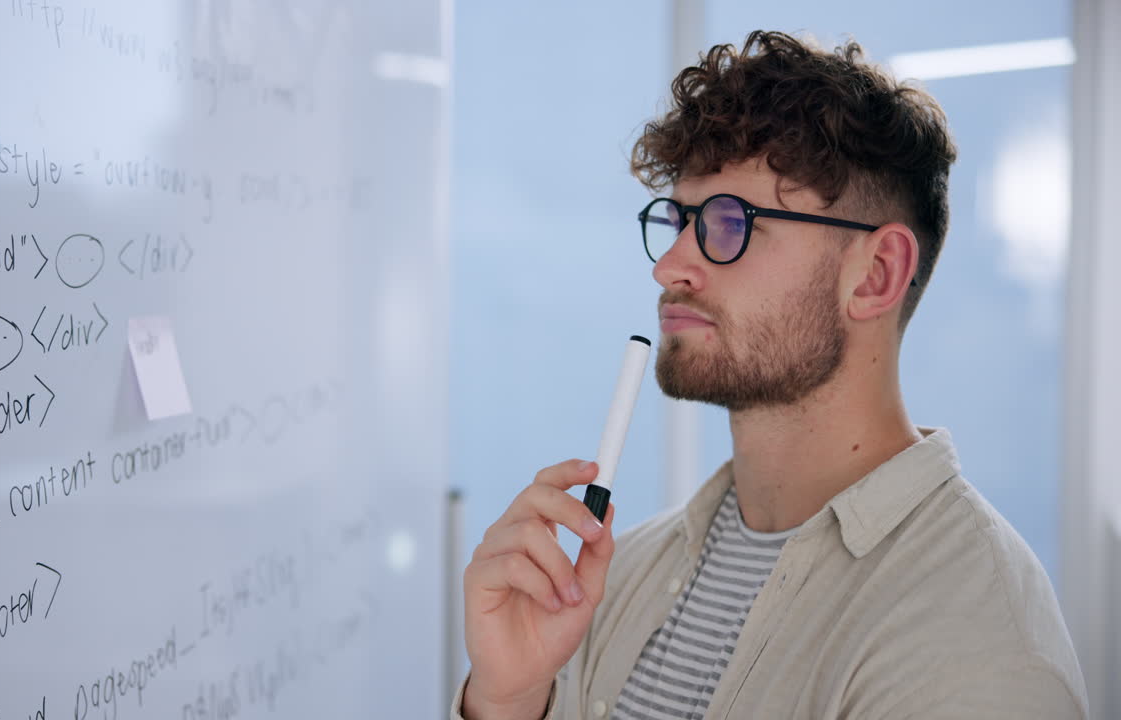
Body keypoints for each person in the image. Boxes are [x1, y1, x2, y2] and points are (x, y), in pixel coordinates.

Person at [453, 30, 1088, 720]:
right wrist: (509, 698)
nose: (668, 266)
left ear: (875, 277)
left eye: (730, 222)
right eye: (679, 219)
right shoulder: (614, 579)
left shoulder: (975, 647)